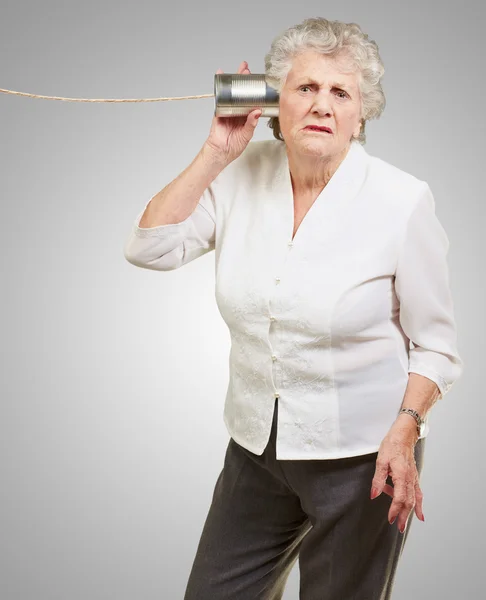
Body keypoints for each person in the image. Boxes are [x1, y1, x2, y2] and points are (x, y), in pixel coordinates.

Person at [123, 17, 463, 600]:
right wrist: (215, 151)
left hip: (366, 460)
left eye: (341, 92)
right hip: (257, 448)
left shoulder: (401, 201)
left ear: (362, 114)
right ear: (275, 101)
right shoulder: (238, 177)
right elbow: (148, 247)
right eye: (305, 88)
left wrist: (405, 432)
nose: (322, 105)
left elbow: (436, 346)